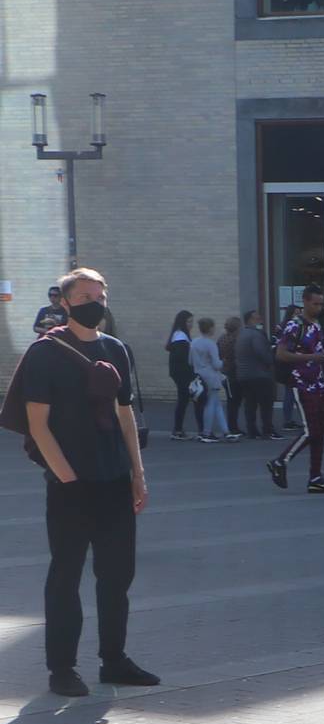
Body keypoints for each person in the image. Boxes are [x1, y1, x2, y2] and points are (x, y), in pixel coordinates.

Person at [11, 270, 155, 698]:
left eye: (101, 295)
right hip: (70, 484)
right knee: (66, 576)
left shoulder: (115, 350)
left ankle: (114, 660)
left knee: (116, 576)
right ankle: (62, 668)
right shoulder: (45, 353)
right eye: (86, 296)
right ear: (66, 302)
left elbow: (125, 414)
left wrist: (137, 473)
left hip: (113, 479)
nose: (96, 302)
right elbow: (38, 424)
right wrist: (67, 477)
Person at [268, 283, 324, 495]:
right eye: (315, 303)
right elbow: (281, 354)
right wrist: (313, 357)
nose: (319, 307)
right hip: (301, 382)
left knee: (319, 430)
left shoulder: (316, 325)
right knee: (311, 430)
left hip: (318, 382)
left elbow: (317, 351)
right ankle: (280, 461)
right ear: (305, 301)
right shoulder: (294, 325)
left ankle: (315, 476)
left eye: (321, 304)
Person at [233, 309, 278, 440]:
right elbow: (262, 353)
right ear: (251, 320)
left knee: (250, 404)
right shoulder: (256, 335)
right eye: (258, 319)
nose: (261, 321)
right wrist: (271, 358)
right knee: (266, 404)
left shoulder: (241, 335)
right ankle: (267, 430)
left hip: (244, 375)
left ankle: (252, 430)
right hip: (260, 374)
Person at [188, 317, 231, 443]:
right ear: (210, 328)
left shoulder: (194, 342)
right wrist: (223, 362)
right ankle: (206, 432)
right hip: (211, 376)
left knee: (216, 404)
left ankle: (226, 431)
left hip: (199, 376)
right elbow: (217, 364)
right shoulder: (210, 344)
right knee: (212, 404)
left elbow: (190, 361)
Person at [167, 311, 201, 441]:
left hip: (179, 373)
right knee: (185, 400)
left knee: (184, 400)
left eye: (192, 321)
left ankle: (179, 429)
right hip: (182, 373)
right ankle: (178, 430)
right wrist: (192, 374)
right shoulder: (180, 337)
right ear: (182, 322)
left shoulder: (178, 335)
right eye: (188, 322)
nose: (191, 325)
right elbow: (183, 358)